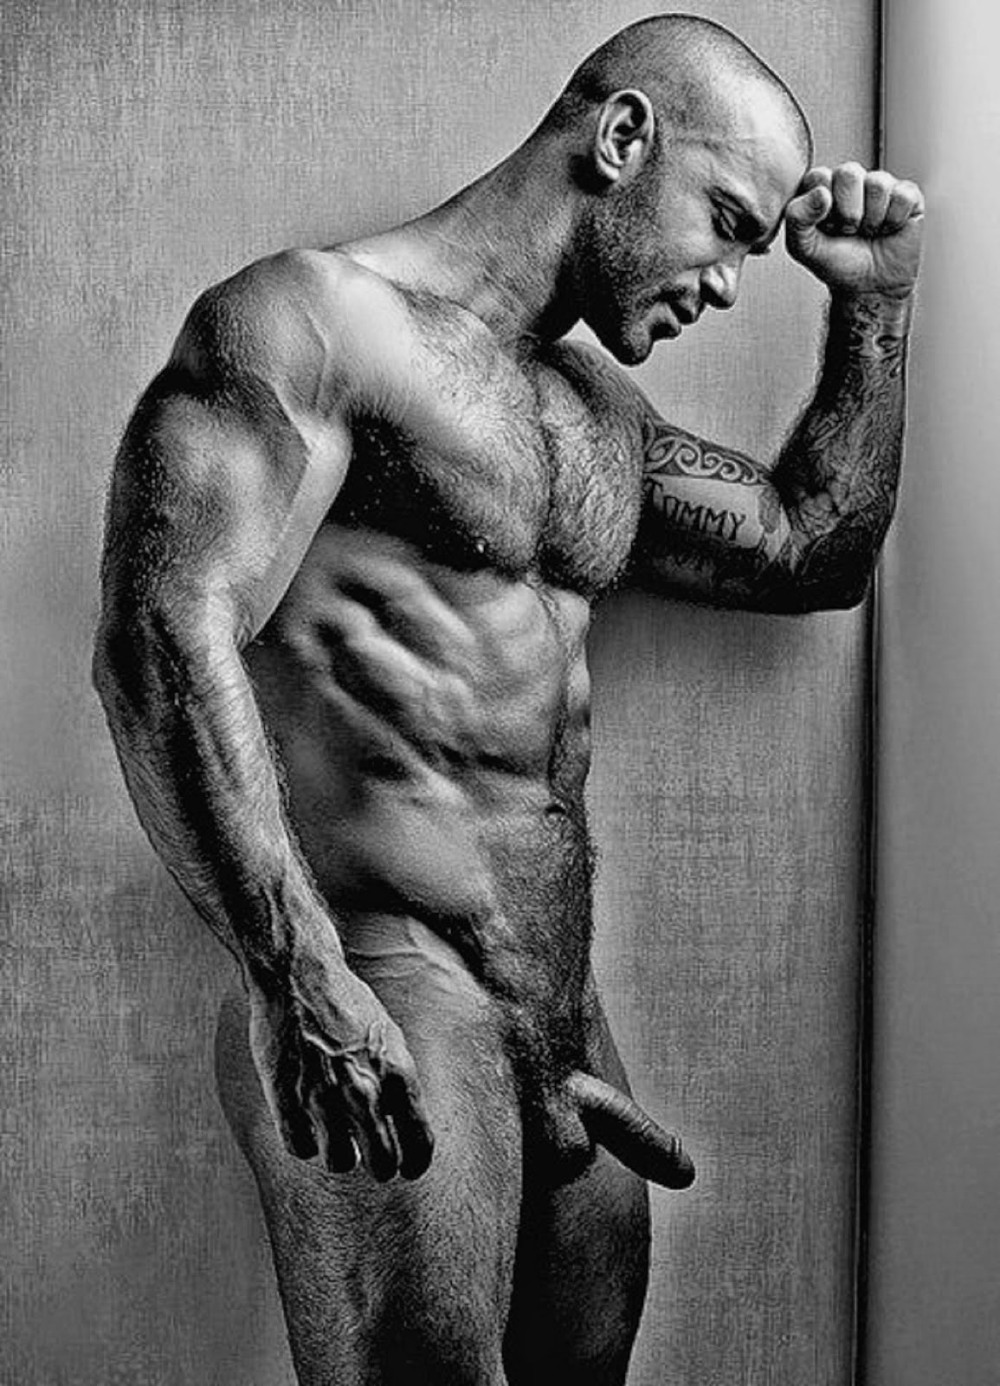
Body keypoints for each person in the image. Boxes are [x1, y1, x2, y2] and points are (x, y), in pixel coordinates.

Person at [93, 13, 923, 1385]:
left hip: (562, 1032)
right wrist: (298, 975)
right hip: (388, 987)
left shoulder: (598, 423)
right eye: (728, 222)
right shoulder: (318, 324)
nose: (729, 283)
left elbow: (810, 551)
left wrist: (875, 309)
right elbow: (163, 637)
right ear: (624, 136)